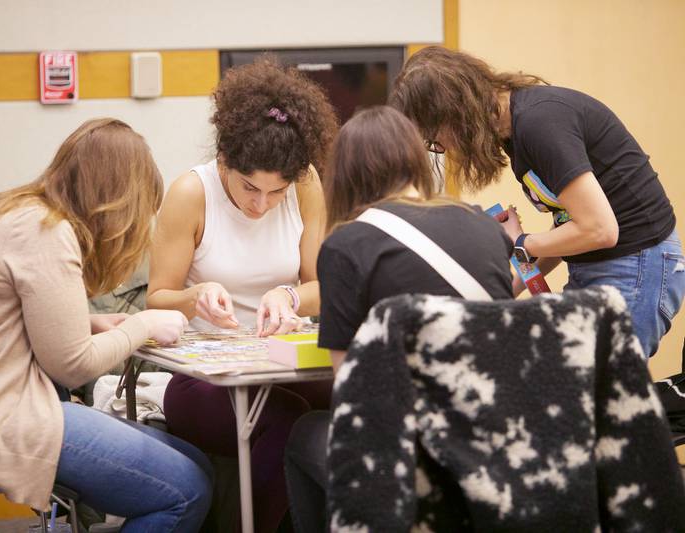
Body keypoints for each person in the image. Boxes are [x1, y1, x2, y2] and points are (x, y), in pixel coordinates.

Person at [0, 118, 212, 533]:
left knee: (199, 463)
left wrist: (89, 322)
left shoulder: (21, 211)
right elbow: (73, 366)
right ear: (116, 198)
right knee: (187, 490)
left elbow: (3, 321)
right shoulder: (46, 232)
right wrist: (141, 324)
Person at [284, 106, 514, 533]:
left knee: (303, 432)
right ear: (415, 159)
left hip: (413, 459)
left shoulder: (345, 246)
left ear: (345, 175)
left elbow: (351, 385)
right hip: (500, 443)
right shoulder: (485, 227)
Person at [389, 45, 685, 358]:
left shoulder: (540, 123)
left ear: (455, 111)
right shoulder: (515, 130)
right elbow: (571, 225)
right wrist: (505, 291)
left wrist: (522, 242)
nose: (442, 147)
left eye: (436, 135)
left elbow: (600, 230)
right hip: (606, 268)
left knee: (590, 394)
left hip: (636, 267)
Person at [145, 57, 338, 532]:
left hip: (281, 360)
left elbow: (320, 286)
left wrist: (290, 299)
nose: (261, 204)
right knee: (283, 418)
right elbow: (156, 298)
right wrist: (197, 297)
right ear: (226, 160)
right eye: (250, 188)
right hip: (203, 376)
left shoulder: (307, 183)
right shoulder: (192, 192)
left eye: (276, 193)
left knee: (352, 392)